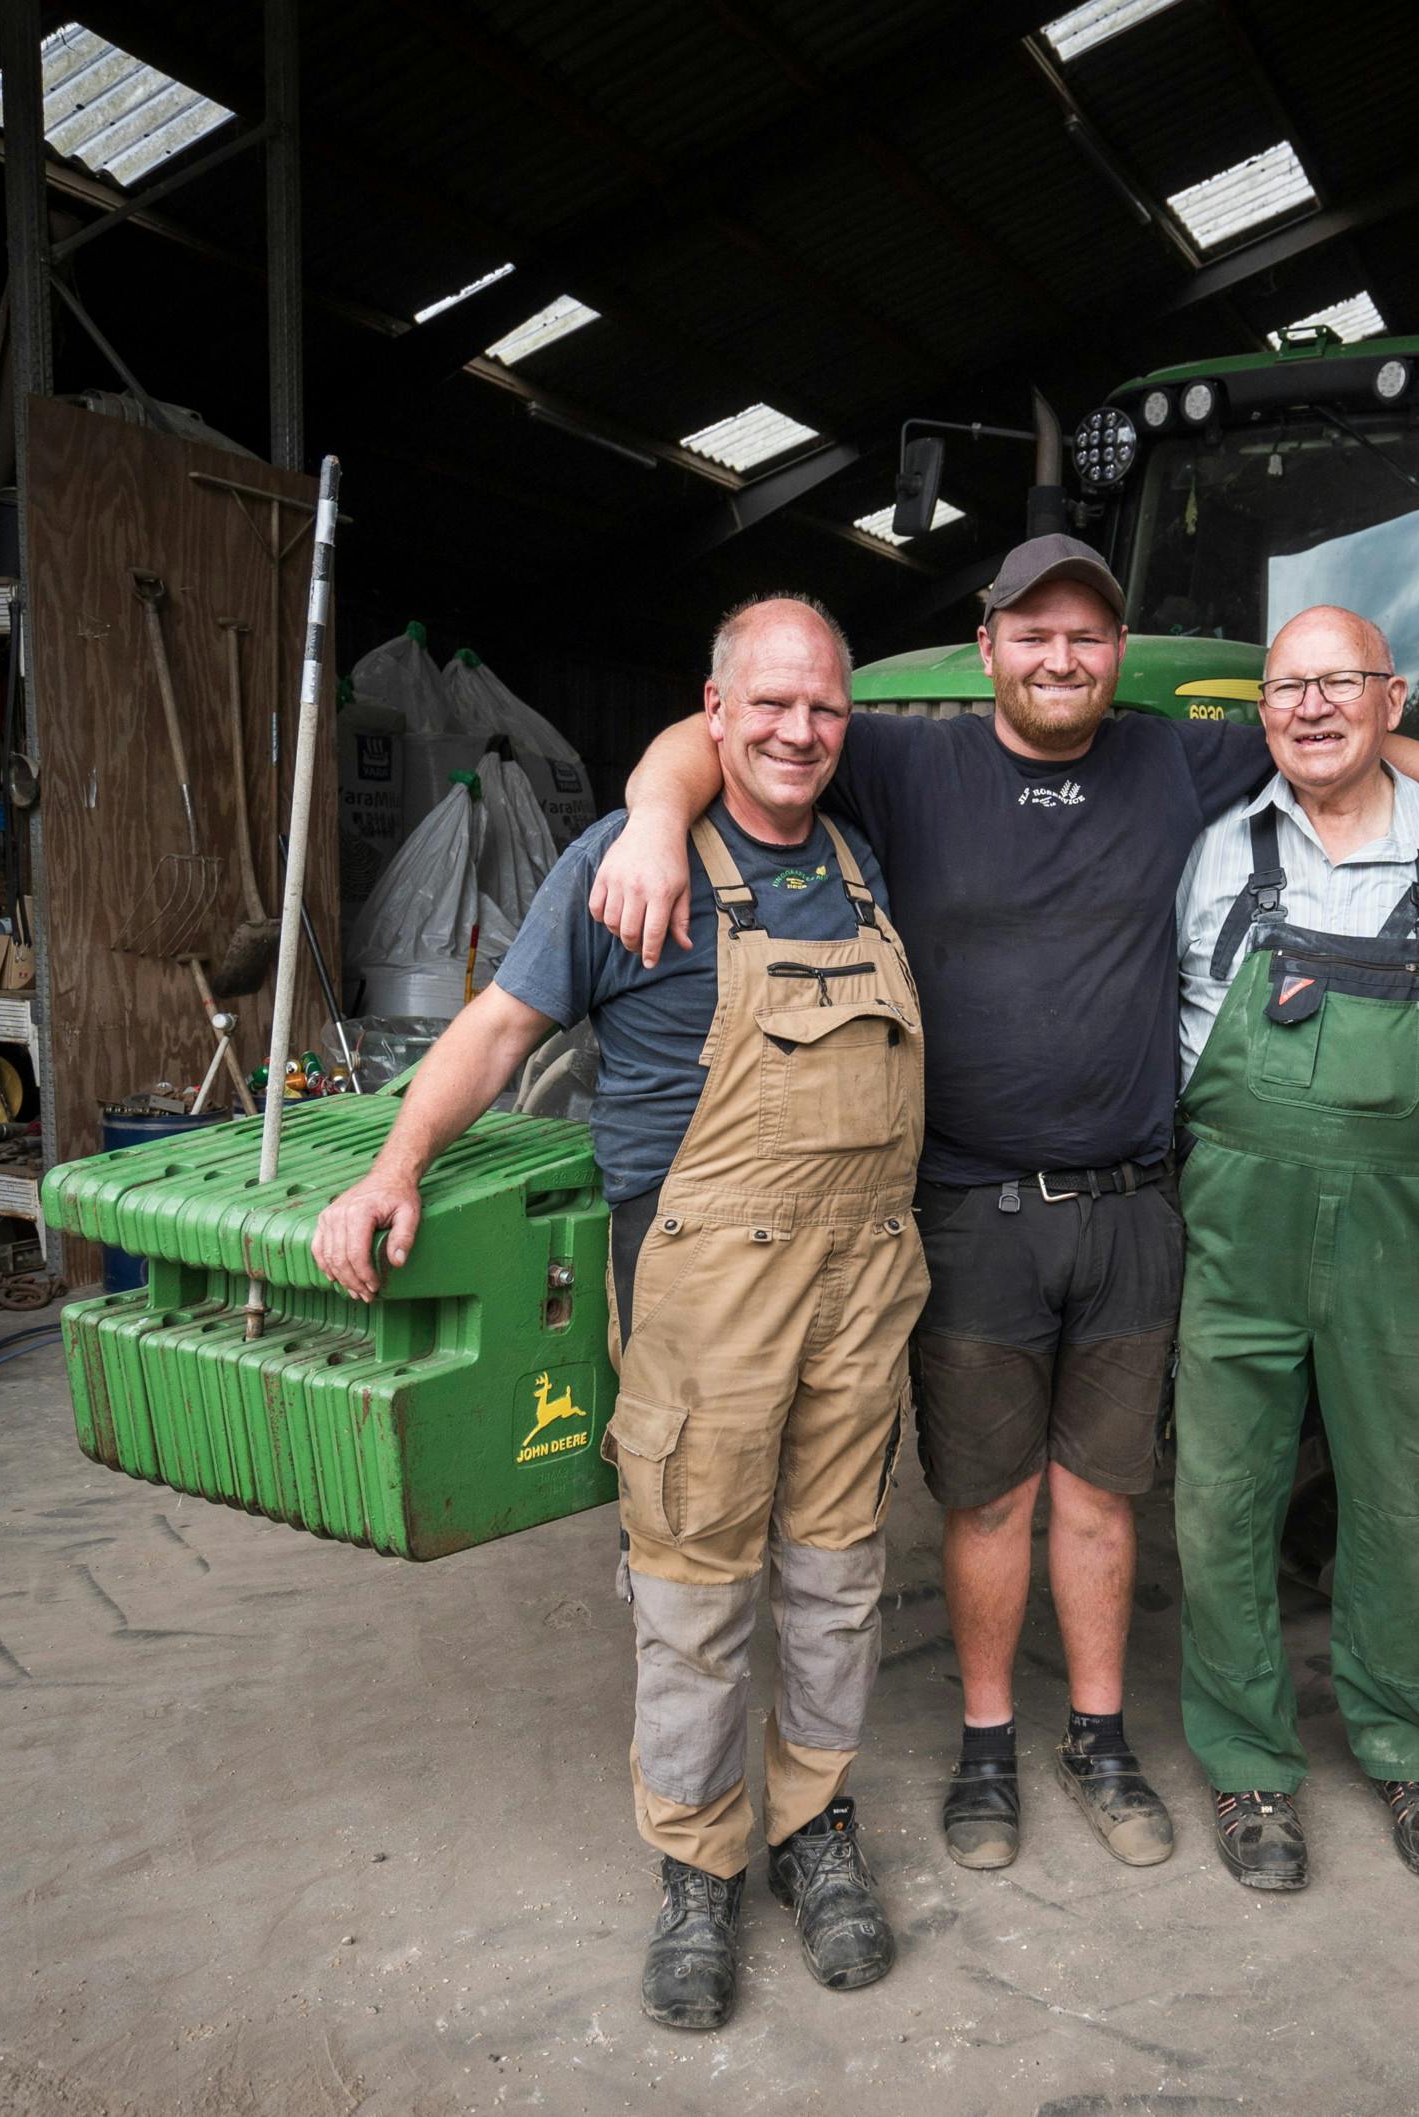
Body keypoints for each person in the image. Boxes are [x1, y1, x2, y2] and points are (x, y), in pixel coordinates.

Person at [584, 535, 1419, 1877]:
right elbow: (734, 730)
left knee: (1120, 1493)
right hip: (968, 1207)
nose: (1061, 658)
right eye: (1033, 633)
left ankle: (1104, 1739)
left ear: (1119, 655)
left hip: (1134, 1207)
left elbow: (1353, 744)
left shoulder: (1178, 757)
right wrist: (653, 816)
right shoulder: (907, 753)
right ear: (989, 644)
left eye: (1088, 636)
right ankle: (995, 1743)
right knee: (995, 1498)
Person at [311, 595, 923, 2034]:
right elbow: (498, 1028)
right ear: (712, 714)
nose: (797, 731)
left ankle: (813, 1825)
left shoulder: (857, 860)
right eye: (766, 705)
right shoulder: (627, 863)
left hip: (860, 1288)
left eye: (823, 708)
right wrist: (394, 1169)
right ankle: (699, 1862)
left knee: (836, 1577)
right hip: (704, 1286)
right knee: (694, 1589)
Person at [1170, 604, 1419, 1893]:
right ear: (1262, 708)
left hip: (1403, 1236)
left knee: (1406, 1503)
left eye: (1342, 682)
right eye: (1288, 686)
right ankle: (1247, 1772)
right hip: (1235, 1228)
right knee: (1221, 1504)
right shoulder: (1218, 849)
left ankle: (1409, 1751)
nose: (1313, 707)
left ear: (1393, 701)